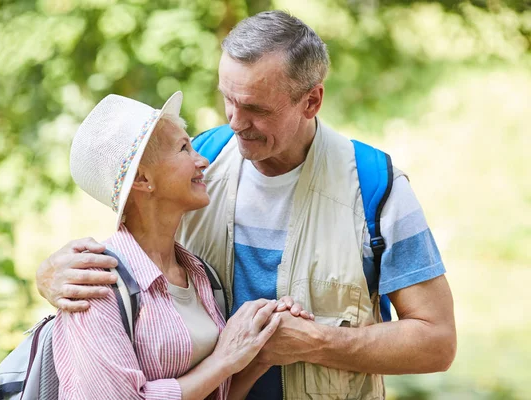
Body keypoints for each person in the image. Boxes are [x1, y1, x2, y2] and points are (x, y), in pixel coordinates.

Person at [37, 10, 457, 400]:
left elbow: (436, 343)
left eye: (255, 108)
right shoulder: (196, 169)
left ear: (311, 101)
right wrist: (51, 276)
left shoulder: (375, 186)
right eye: (229, 99)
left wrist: (314, 343)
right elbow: (129, 252)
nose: (235, 122)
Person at [53, 91, 313, 400]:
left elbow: (218, 393)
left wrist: (259, 348)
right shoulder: (96, 287)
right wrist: (222, 361)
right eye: (183, 148)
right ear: (142, 178)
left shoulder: (201, 276)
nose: (202, 160)